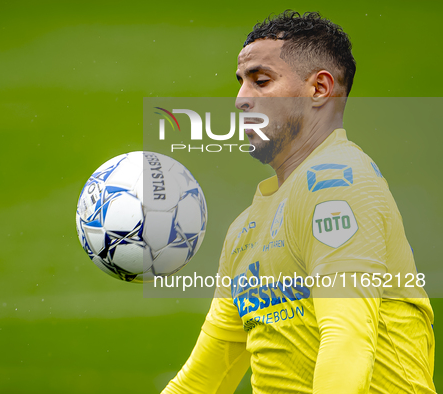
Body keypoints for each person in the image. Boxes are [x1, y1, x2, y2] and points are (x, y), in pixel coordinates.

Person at [162, 10, 436, 394]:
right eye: (240, 83)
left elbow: (347, 343)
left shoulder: (341, 185)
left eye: (261, 81)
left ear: (320, 88)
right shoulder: (246, 228)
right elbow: (203, 380)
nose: (240, 99)